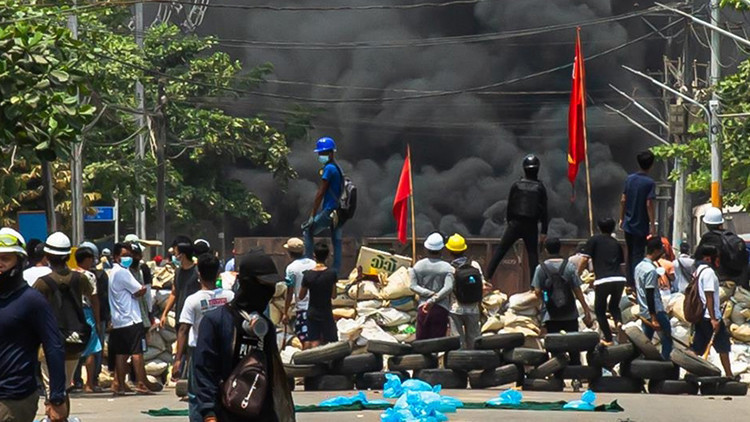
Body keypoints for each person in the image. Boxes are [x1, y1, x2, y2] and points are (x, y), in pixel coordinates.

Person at [193, 250, 295, 422]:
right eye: (263, 285)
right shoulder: (216, 321)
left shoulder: (265, 327)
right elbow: (204, 371)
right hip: (225, 413)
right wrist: (209, 413)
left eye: (271, 286)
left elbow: (272, 377)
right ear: (247, 283)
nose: (268, 292)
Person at [0, 228, 67, 422]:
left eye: (5, 258)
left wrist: (56, 397)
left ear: (20, 261)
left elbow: (54, 347)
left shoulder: (31, 301)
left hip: (13, 398)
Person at [32, 232, 96, 397]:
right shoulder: (80, 278)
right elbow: (90, 293)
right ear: (68, 256)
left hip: (50, 341)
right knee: (65, 387)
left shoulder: (42, 283)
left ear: (47, 256)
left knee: (52, 389)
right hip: (74, 340)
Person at [173, 253, 234, 422]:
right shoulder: (229, 297)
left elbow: (183, 330)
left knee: (197, 393)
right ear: (218, 273)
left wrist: (178, 359)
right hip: (225, 350)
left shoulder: (192, 300)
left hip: (199, 352)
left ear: (198, 274)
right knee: (226, 388)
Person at [486, 154, 549, 285]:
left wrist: (510, 223)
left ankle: (486, 278)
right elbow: (544, 211)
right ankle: (535, 287)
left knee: (500, 251)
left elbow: (510, 206)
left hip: (515, 224)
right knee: (533, 257)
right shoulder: (540, 187)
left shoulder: (516, 185)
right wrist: (544, 231)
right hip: (531, 225)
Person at [532, 238, 593, 368]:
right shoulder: (569, 266)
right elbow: (577, 290)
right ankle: (576, 374)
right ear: (560, 248)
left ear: (546, 250)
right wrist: (586, 309)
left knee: (555, 348)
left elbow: (537, 292)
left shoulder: (540, 268)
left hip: (551, 314)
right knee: (573, 347)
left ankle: (557, 374)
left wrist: (545, 299)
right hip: (570, 313)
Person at [108, 243, 151, 395]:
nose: (128, 258)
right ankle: (141, 383)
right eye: (124, 255)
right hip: (131, 318)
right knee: (137, 352)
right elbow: (140, 289)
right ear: (116, 257)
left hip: (119, 320)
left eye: (129, 255)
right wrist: (138, 292)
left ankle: (119, 385)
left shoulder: (113, 272)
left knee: (121, 353)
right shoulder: (123, 272)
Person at [578, 218, 626, 346]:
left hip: (603, 280)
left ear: (599, 228)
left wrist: (577, 274)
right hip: (620, 279)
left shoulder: (594, 240)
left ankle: (608, 338)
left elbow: (584, 260)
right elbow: (622, 265)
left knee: (600, 310)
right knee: (614, 306)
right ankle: (619, 322)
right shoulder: (616, 243)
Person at [303, 136, 344, 275]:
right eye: (320, 153)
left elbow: (321, 192)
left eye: (323, 153)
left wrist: (313, 214)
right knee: (337, 240)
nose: (321, 155)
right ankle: (335, 273)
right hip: (339, 211)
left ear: (331, 153)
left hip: (329, 210)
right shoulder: (338, 168)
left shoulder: (329, 169)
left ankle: (308, 266)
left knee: (308, 230)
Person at [691, 245, 733, 377]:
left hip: (701, 316)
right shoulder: (709, 272)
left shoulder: (698, 271)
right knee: (723, 346)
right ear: (708, 258)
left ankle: (688, 371)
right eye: (716, 257)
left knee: (698, 347)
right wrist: (714, 319)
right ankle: (729, 375)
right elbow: (709, 296)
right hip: (710, 316)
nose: (718, 261)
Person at [445, 233, 488, 350]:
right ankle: (475, 359)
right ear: (464, 250)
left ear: (449, 251)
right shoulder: (474, 265)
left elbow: (447, 289)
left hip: (455, 309)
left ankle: (459, 360)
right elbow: (483, 285)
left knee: (457, 341)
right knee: (474, 340)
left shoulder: (449, 268)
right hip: (473, 308)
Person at [620, 150, 656, 287]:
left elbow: (623, 200)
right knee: (638, 254)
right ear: (651, 165)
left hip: (628, 224)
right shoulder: (649, 183)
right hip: (641, 225)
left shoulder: (629, 179)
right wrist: (652, 224)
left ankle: (629, 282)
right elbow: (649, 204)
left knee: (629, 253)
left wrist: (621, 218)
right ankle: (637, 283)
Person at [410, 232, 455, 340]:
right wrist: (434, 298)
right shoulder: (447, 267)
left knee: (421, 342)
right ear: (442, 249)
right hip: (441, 309)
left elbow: (413, 286)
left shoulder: (418, 266)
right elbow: (448, 288)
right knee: (438, 343)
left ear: (426, 249)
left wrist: (428, 294)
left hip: (423, 307)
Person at [72, 246, 103, 393]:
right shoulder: (89, 276)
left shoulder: (70, 274)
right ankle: (89, 383)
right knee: (91, 349)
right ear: (86, 259)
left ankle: (73, 380)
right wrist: (97, 320)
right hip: (86, 312)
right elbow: (94, 299)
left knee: (73, 348)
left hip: (72, 313)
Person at [635, 237, 672, 361]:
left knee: (646, 344)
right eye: (661, 250)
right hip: (655, 311)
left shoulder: (639, 267)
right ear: (656, 250)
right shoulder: (650, 270)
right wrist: (654, 318)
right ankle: (665, 365)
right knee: (667, 341)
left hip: (644, 311)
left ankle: (643, 364)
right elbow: (649, 293)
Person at [695, 207, 750, 289]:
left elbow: (697, 258)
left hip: (720, 280)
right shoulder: (731, 235)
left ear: (707, 224)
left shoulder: (708, 238)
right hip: (739, 280)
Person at [299, 242, 338, 348]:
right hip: (326, 313)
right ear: (328, 256)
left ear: (314, 255)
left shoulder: (307, 274)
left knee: (314, 342)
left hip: (312, 312)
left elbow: (301, 296)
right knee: (331, 343)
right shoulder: (332, 274)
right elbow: (334, 295)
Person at [281, 238, 316, 349]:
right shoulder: (313, 264)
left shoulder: (291, 269)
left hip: (303, 308)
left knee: (305, 339)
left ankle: (307, 359)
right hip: (317, 307)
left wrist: (285, 312)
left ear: (289, 253)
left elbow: (289, 292)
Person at [160, 238, 200, 329]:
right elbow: (174, 293)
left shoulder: (197, 271)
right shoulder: (178, 272)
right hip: (180, 315)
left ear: (182, 255)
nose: (174, 255)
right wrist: (165, 313)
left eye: (175, 252)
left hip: (195, 317)